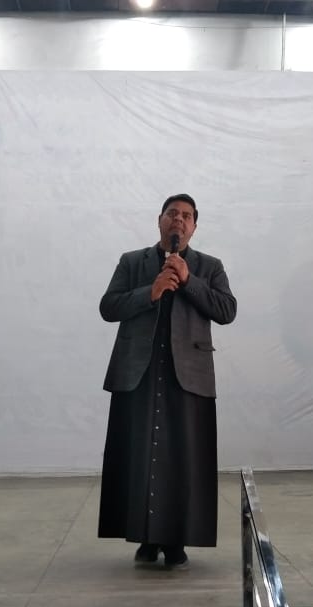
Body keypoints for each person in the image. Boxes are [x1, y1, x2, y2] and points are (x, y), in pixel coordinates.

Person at [97, 194, 237, 569]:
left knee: (183, 461)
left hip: (188, 376)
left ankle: (177, 541)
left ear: (194, 227)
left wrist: (188, 281)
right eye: (172, 213)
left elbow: (227, 310)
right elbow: (108, 307)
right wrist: (150, 291)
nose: (179, 220)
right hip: (138, 373)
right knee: (140, 457)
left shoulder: (209, 266)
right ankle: (144, 538)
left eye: (186, 216)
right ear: (159, 220)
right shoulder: (132, 262)